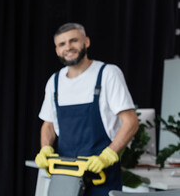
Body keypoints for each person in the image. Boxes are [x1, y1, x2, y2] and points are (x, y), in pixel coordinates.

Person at [34, 23, 139, 195]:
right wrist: (45, 148)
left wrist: (108, 155)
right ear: (57, 51)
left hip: (101, 177)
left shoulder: (107, 74)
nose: (68, 47)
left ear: (86, 42)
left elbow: (131, 122)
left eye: (73, 40)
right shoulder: (54, 81)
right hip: (66, 176)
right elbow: (49, 124)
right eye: (62, 44)